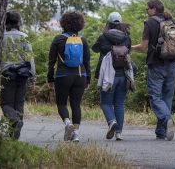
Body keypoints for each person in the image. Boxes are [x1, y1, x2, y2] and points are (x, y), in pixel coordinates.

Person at [132, 0, 175, 141]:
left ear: (153, 9)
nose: (146, 11)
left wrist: (131, 48)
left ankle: (167, 119)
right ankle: (161, 132)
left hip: (156, 64)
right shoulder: (174, 21)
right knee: (167, 97)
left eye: (147, 9)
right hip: (173, 64)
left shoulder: (150, 22)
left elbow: (144, 47)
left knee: (155, 96)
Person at [47, 11, 91, 142]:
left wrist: (50, 78)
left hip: (63, 75)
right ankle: (76, 134)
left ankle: (68, 124)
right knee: (76, 105)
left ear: (63, 23)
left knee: (61, 103)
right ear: (80, 24)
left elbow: (51, 61)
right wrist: (88, 78)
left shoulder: (58, 39)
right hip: (80, 75)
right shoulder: (82, 40)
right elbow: (87, 61)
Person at [92, 12, 132, 141]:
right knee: (119, 104)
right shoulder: (126, 37)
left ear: (108, 23)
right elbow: (128, 50)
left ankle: (112, 121)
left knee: (105, 103)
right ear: (120, 23)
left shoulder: (104, 36)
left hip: (109, 76)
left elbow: (95, 49)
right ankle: (119, 133)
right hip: (123, 75)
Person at [0, 10, 36, 140]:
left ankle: (15, 122)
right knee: (19, 104)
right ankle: (14, 137)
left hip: (7, 74)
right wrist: (33, 76)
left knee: (5, 104)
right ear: (18, 22)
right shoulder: (24, 37)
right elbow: (29, 58)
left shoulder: (2, 36)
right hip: (22, 75)